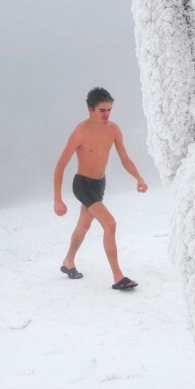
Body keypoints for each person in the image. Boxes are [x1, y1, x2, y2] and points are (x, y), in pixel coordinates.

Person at [54, 87, 148, 290]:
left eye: (109, 110)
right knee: (110, 223)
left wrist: (138, 177)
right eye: (102, 110)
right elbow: (60, 166)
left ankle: (68, 262)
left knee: (84, 226)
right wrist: (57, 199)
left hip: (99, 184)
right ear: (90, 109)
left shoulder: (113, 129)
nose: (106, 114)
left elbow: (124, 157)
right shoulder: (80, 132)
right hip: (83, 185)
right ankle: (118, 276)